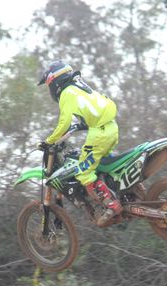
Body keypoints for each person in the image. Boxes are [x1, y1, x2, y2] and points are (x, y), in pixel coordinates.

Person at [38, 60, 122, 226]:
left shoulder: (66, 93)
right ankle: (125, 193)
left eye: (49, 85)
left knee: (83, 172)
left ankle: (112, 205)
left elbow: (64, 124)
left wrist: (48, 141)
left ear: (55, 82)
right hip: (111, 127)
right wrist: (84, 123)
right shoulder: (79, 86)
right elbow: (93, 108)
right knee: (104, 165)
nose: (50, 90)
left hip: (100, 133)